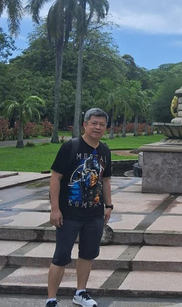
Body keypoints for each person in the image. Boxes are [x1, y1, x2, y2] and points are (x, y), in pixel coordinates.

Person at [46, 108, 113, 307]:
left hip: (94, 214)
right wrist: (55, 208)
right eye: (94, 123)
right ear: (85, 124)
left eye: (102, 124)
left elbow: (106, 180)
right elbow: (55, 178)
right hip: (69, 214)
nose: (98, 127)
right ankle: (51, 299)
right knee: (61, 256)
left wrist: (109, 205)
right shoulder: (71, 147)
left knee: (87, 254)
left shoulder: (105, 150)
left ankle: (80, 293)